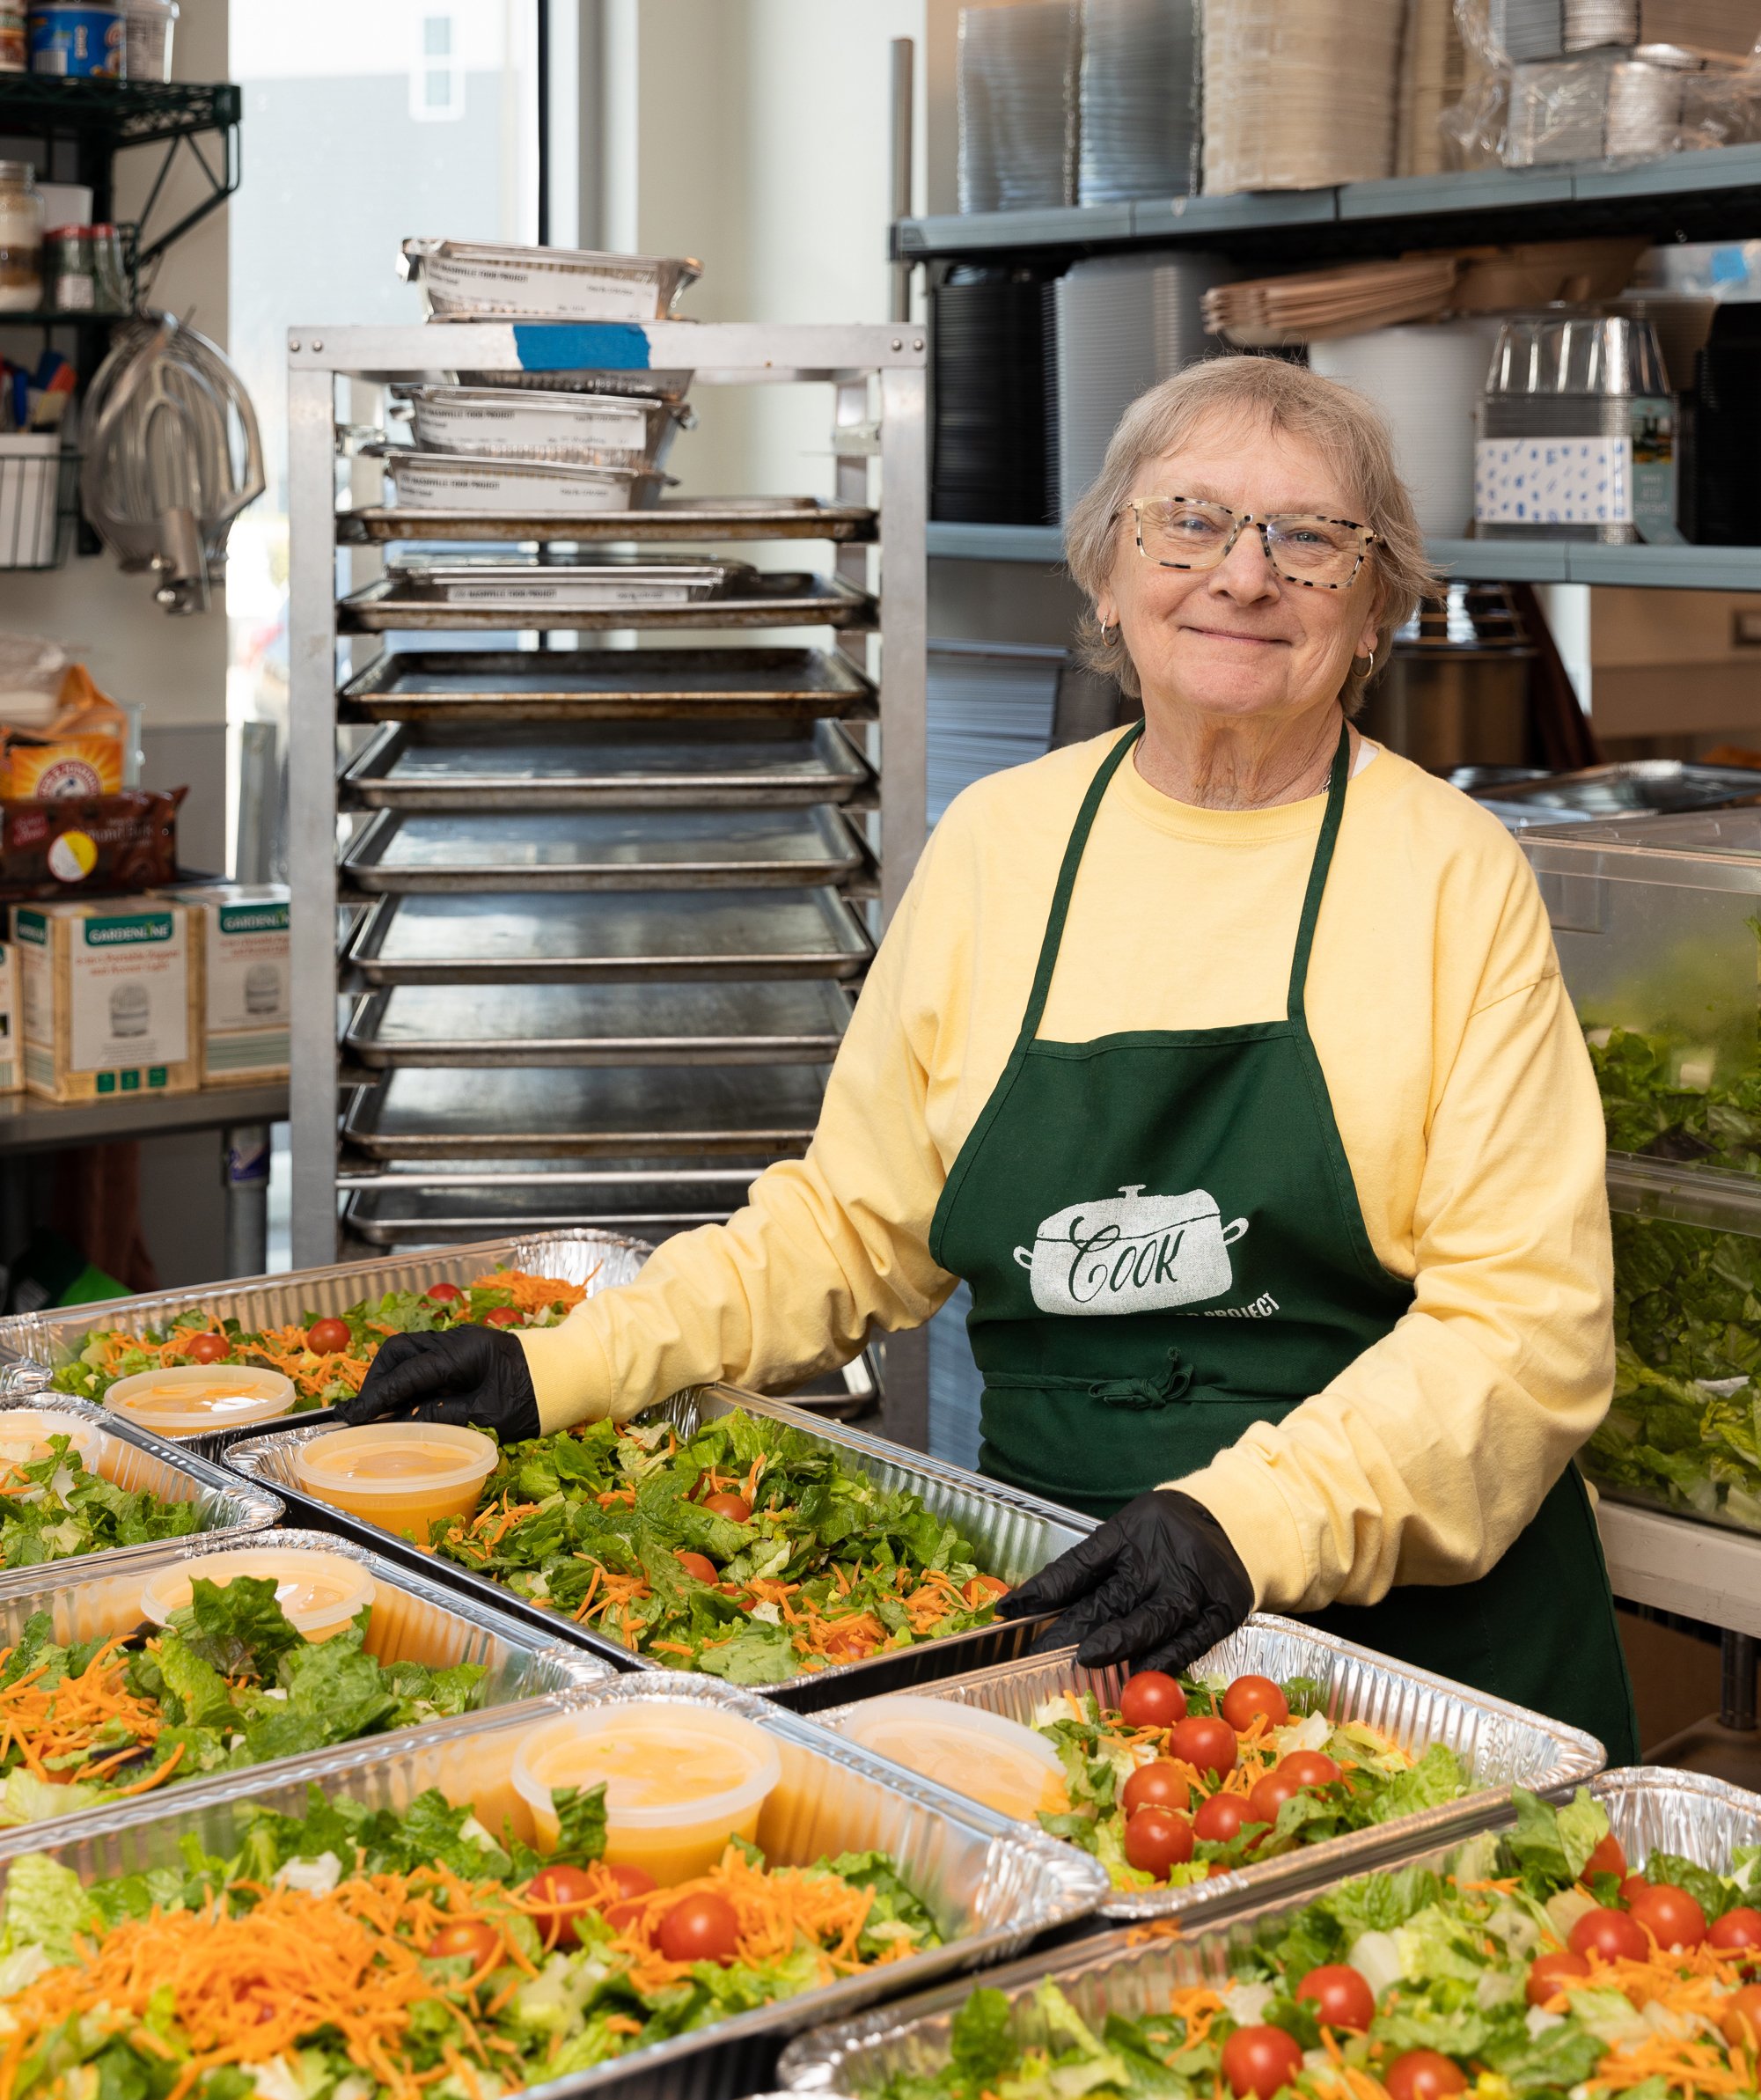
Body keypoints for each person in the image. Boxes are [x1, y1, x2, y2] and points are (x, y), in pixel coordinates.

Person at [347, 353, 1638, 1763]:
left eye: (1308, 538)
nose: (1241, 575)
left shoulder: (1451, 874)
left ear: (1375, 603)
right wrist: (565, 1366)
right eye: (1187, 521)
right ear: (1105, 573)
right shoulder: (1000, 848)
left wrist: (1243, 1520)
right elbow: (852, 1228)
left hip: (1413, 1648)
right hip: (1070, 1600)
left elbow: (1526, 1331)